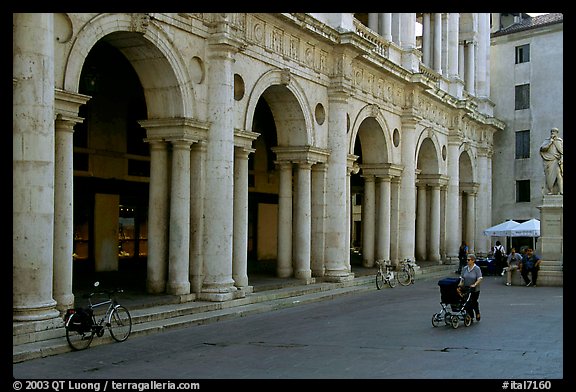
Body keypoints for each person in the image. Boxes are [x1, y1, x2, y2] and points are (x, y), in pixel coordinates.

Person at [458, 253, 483, 322]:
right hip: (466, 288)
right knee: (466, 301)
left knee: (473, 302)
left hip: (475, 289)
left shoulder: (477, 269)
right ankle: (470, 316)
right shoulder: (465, 268)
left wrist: (475, 284)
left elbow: (480, 278)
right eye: (467, 260)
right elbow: (462, 278)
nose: (467, 261)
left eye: (469, 260)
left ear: (473, 260)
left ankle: (477, 312)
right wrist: (460, 285)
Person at [539, 127, 563, 195]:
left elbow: (562, 152)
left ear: (557, 133)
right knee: (549, 177)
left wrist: (561, 159)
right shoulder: (547, 140)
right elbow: (543, 149)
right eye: (552, 131)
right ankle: (551, 190)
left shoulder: (559, 141)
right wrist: (550, 142)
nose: (552, 133)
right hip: (549, 162)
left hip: (557, 161)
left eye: (554, 131)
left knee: (559, 175)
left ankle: (561, 190)